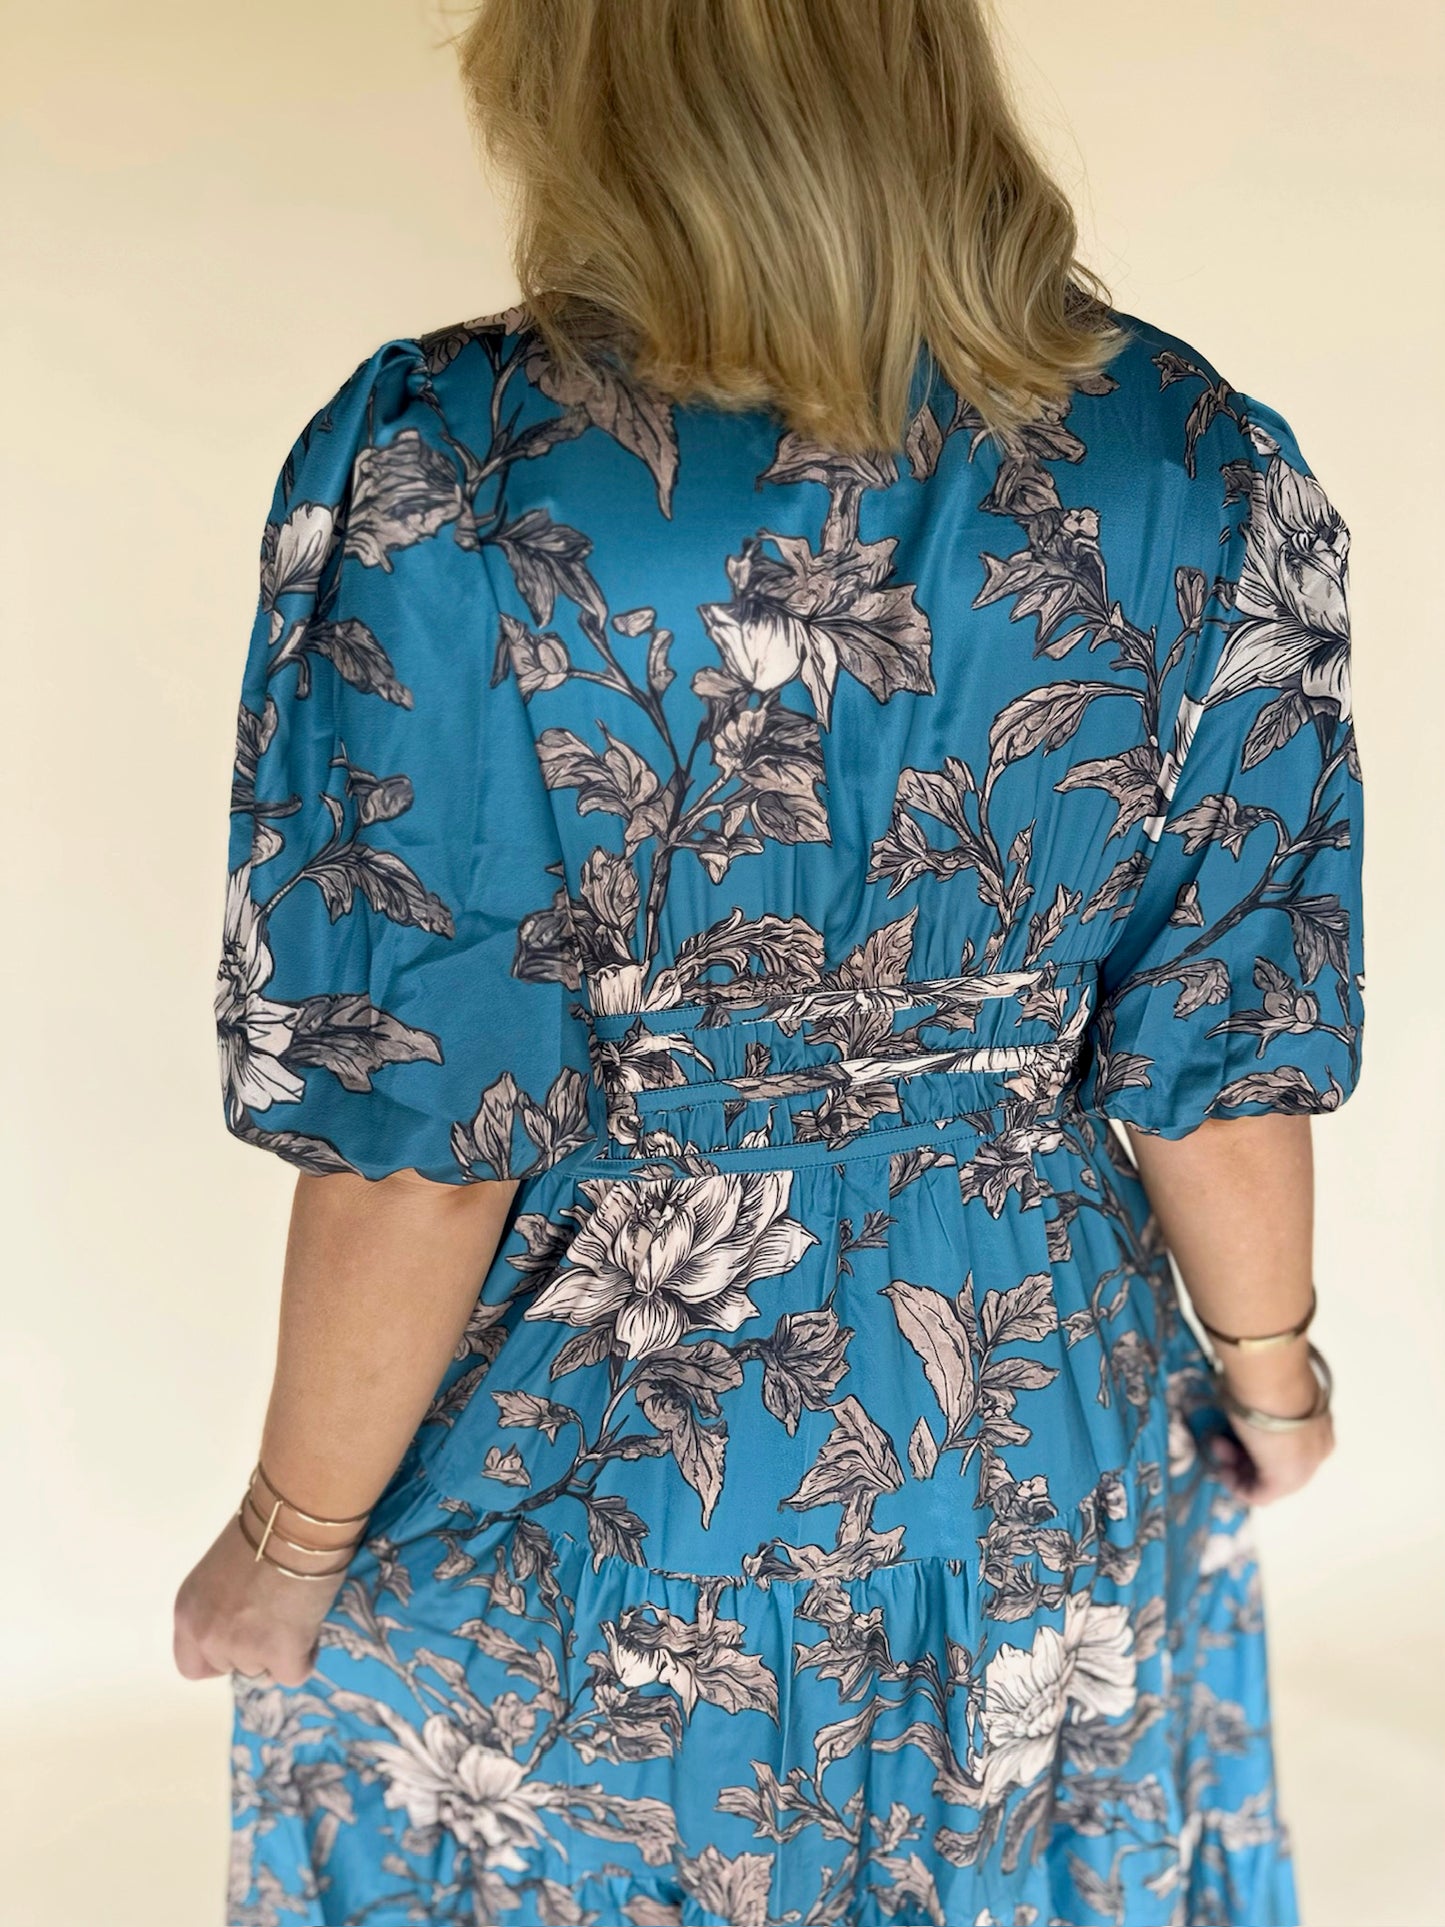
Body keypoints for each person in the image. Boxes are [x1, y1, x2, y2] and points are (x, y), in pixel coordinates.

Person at [175, 3, 1363, 1922]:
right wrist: (1273, 1386)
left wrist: (287, 1547)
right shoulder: (1198, 456)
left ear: (587, 94)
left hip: (609, 1449)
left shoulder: (446, 467)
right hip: (1046, 1411)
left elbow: (431, 1122)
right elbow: (1216, 1054)